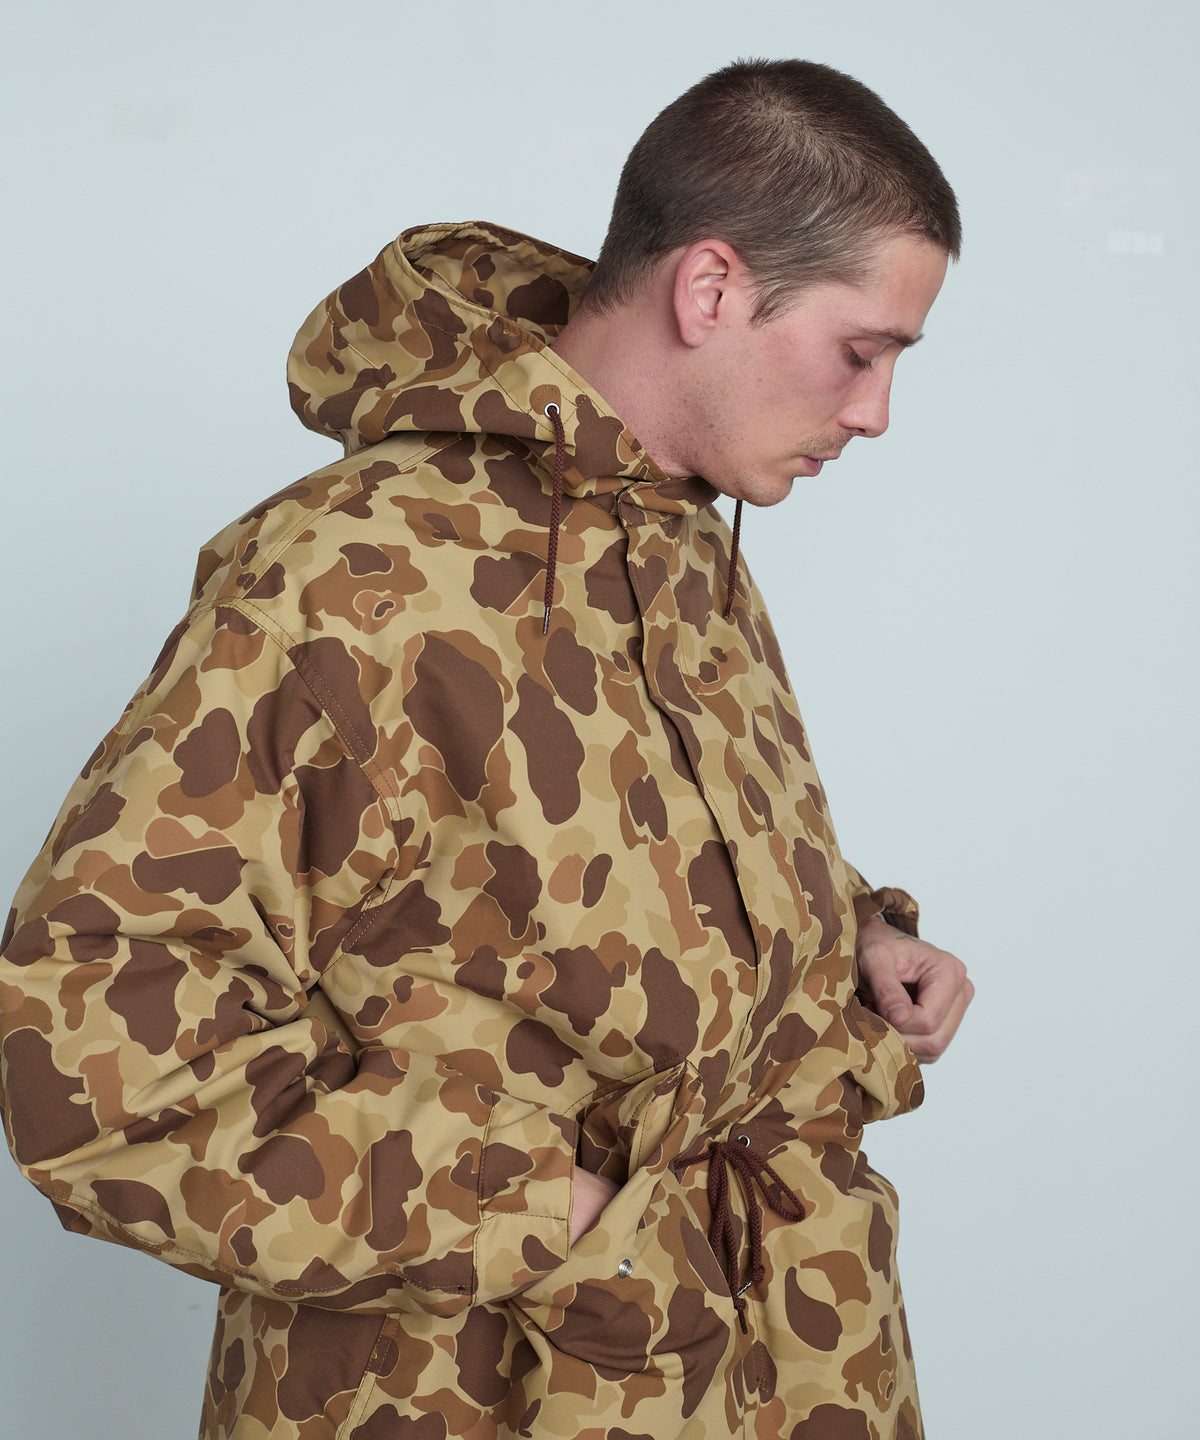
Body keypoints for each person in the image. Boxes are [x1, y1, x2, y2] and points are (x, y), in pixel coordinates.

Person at [0, 58, 972, 1440]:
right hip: (470, 1388)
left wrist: (850, 934)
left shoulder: (677, 541)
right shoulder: (350, 573)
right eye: (862, 351)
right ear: (710, 289)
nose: (874, 412)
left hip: (776, 1364)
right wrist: (539, 1211)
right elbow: (90, 1047)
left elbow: (584, 865)